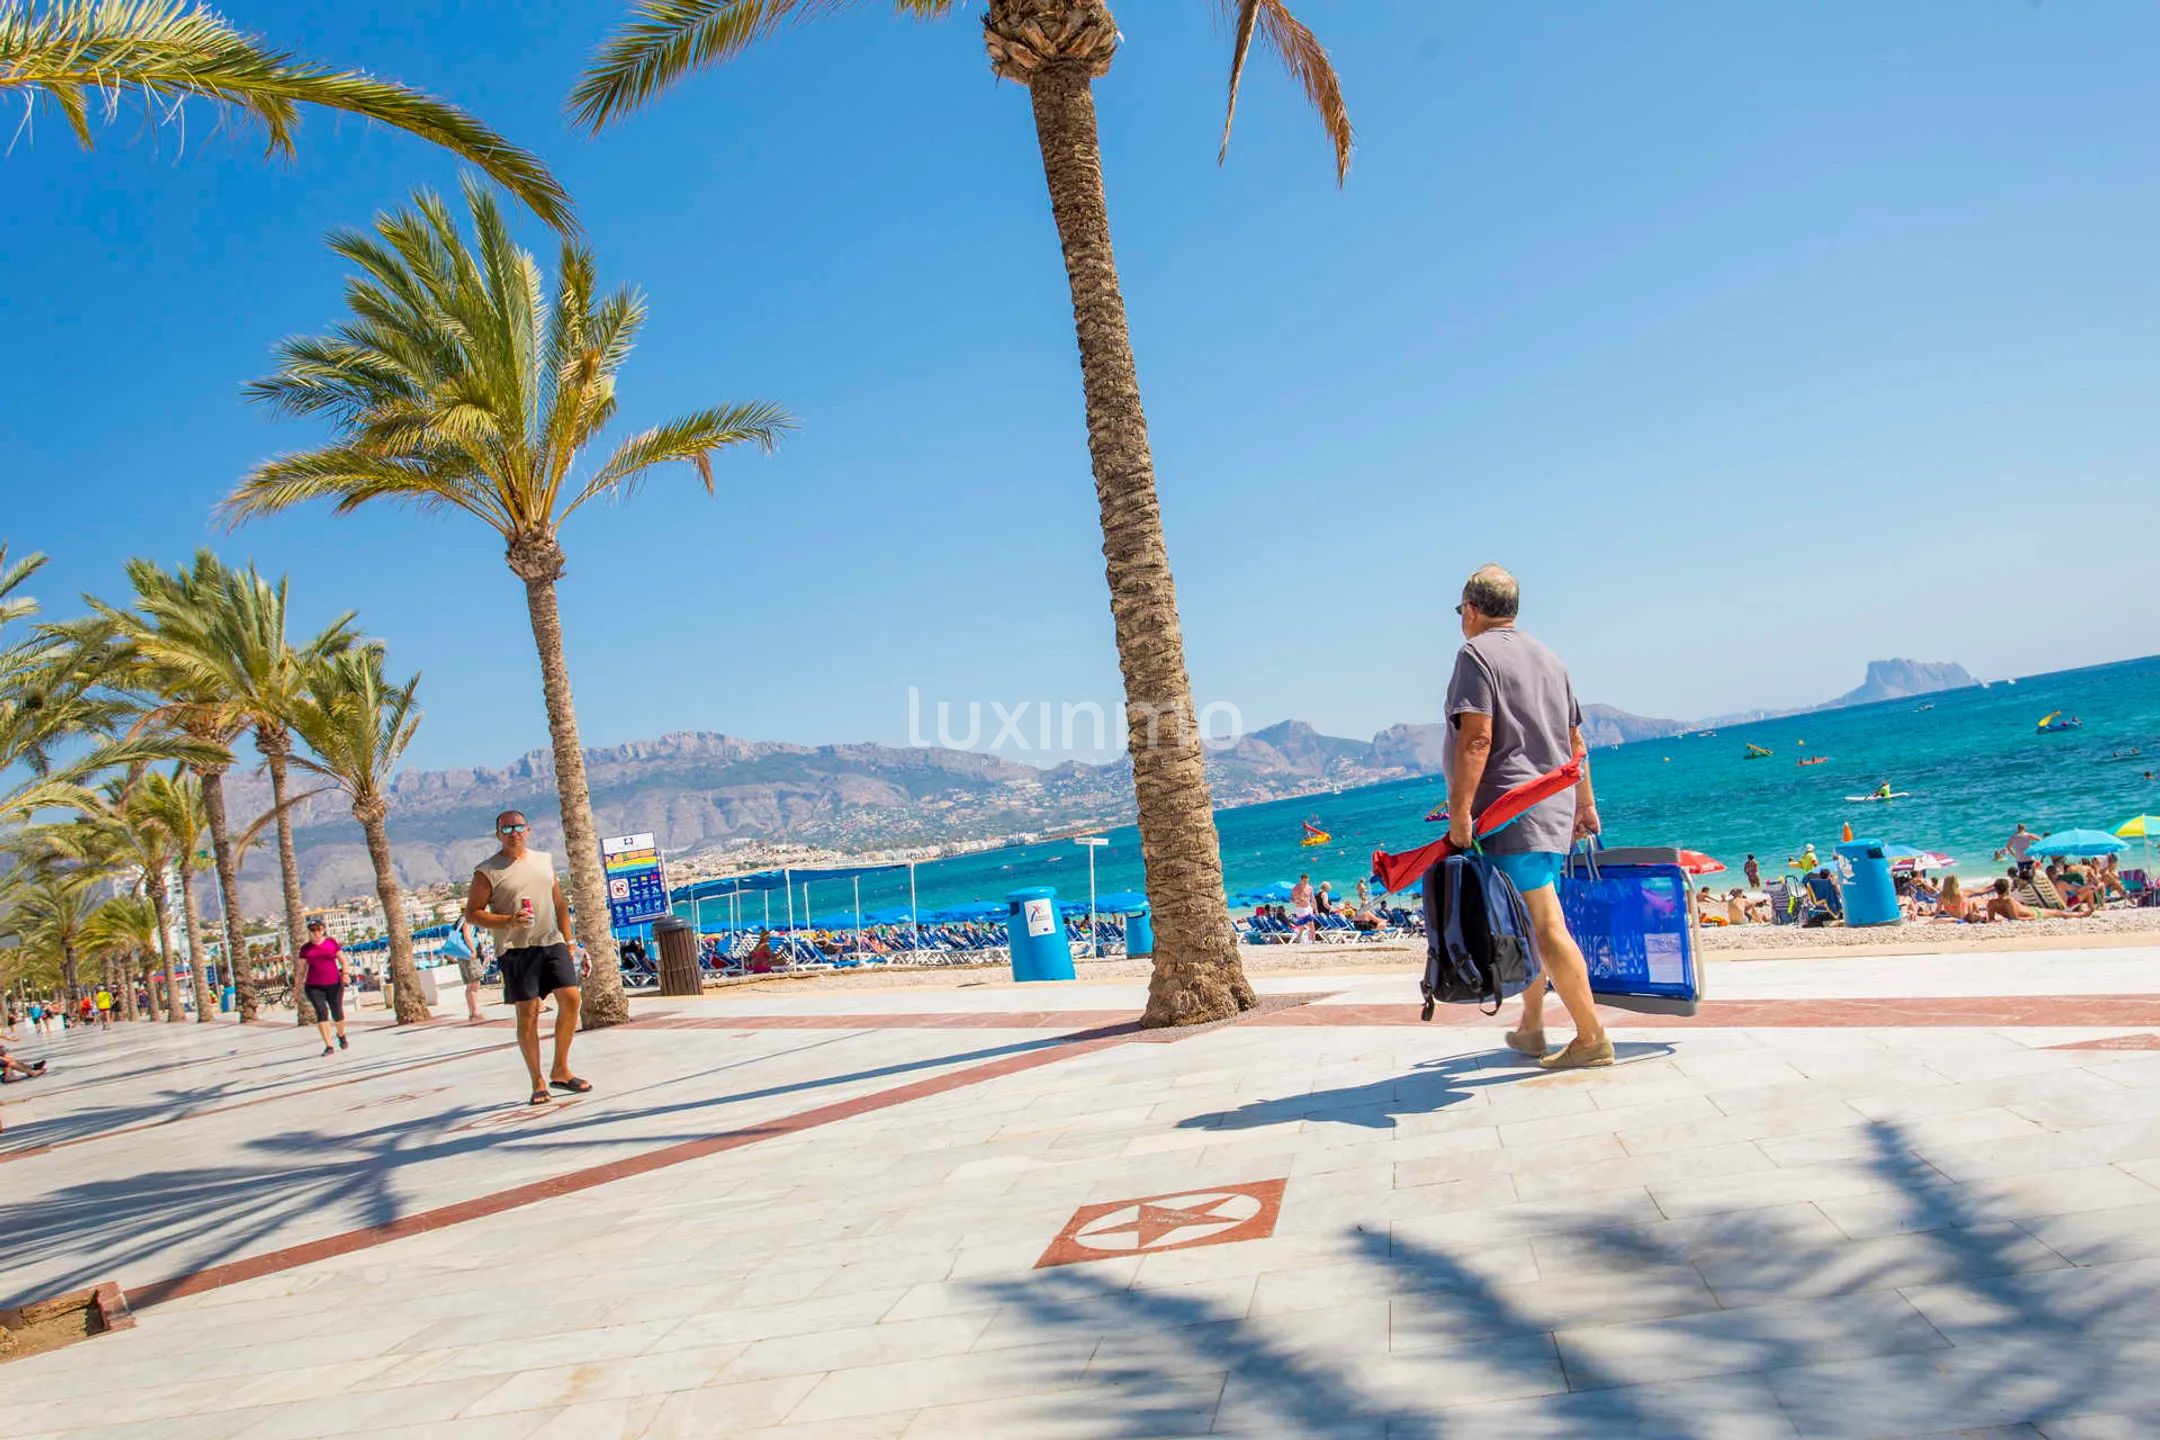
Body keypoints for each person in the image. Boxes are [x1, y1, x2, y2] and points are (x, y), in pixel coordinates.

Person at [1444, 564, 1610, 1070]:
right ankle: (1533, 1027)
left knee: (1543, 923)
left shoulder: (1475, 655)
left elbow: (1477, 740)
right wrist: (1585, 803)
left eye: (1460, 611)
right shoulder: (1548, 657)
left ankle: (1591, 1036)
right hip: (1550, 807)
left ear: (1471, 609)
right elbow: (1574, 741)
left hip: (1511, 811)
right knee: (1522, 923)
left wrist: (1460, 813)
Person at [466, 811, 589, 1105]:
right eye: (506, 828)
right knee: (528, 1013)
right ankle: (537, 1081)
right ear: (498, 834)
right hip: (516, 950)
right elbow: (473, 913)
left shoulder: (544, 860)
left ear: (528, 829)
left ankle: (561, 1068)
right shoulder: (487, 870)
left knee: (571, 998)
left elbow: (559, 902)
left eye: (519, 826)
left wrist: (568, 938)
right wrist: (509, 920)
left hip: (552, 942)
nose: (513, 832)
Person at [298, 918, 349, 1056]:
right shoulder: (305, 948)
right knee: (321, 1012)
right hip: (314, 986)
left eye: (318, 929)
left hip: (334, 983)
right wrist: (296, 987)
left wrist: (345, 974)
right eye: (312, 930)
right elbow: (301, 969)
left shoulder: (331, 943)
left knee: (337, 1012)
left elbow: (343, 960)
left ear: (323, 930)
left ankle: (341, 1034)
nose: (315, 933)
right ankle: (328, 1045)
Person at [1290, 875, 1317, 942]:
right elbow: (1291, 899)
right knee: (1301, 927)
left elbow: (1313, 899)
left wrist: (1316, 909)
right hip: (1300, 909)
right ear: (1301, 880)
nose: (1306, 882)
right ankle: (1298, 937)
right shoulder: (1296, 888)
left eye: (1307, 881)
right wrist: (1296, 901)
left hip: (1308, 908)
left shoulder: (1310, 888)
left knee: (1311, 924)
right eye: (1304, 881)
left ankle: (1313, 941)